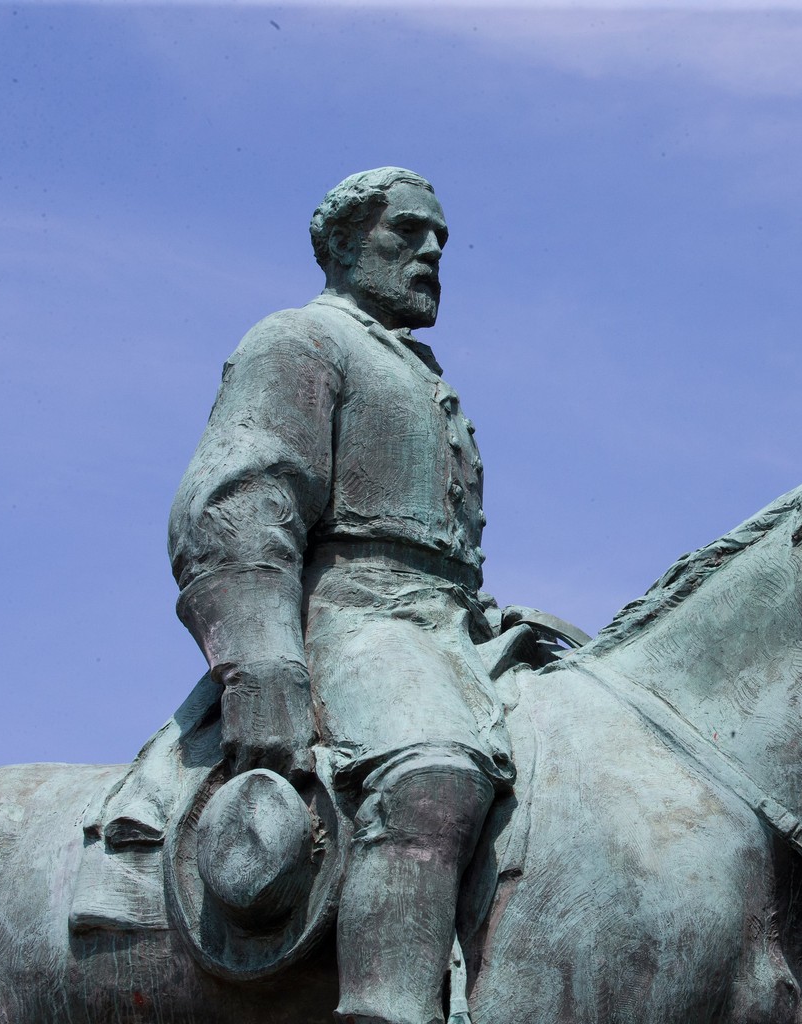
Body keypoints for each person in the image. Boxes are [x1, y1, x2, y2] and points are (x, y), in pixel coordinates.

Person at [168, 167, 511, 1024]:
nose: (432, 250)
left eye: (440, 239)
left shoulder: (424, 377)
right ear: (343, 245)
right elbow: (240, 505)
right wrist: (262, 666)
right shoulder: (300, 342)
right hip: (356, 622)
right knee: (432, 773)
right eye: (407, 233)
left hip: (451, 627)